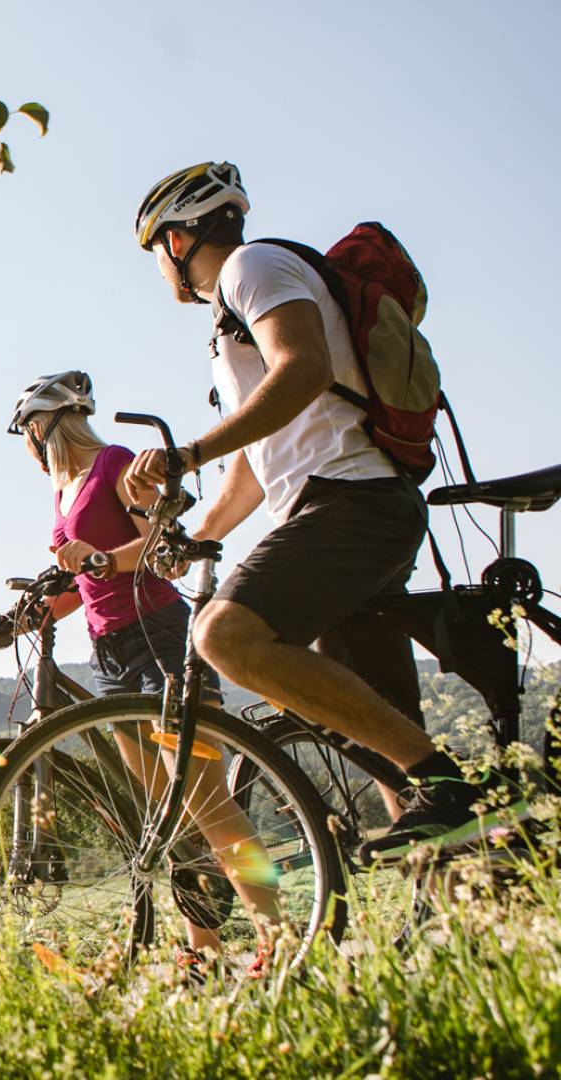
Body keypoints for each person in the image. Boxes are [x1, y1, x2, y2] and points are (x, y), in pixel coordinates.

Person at [126, 162, 479, 861]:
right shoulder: (235, 315)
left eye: (155, 256)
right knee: (379, 737)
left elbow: (305, 367)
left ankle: (450, 784)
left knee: (224, 636)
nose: (161, 274)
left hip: (351, 501)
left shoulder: (250, 268)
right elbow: (260, 465)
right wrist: (193, 535)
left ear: (175, 241)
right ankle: (466, 901)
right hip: (340, 507)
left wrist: (187, 454)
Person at [4, 371, 275, 968]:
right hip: (109, 657)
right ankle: (203, 948)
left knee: (205, 803)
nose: (24, 444)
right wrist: (23, 619)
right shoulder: (62, 492)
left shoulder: (117, 464)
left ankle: (277, 937)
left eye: (24, 430)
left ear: (45, 425)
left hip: (158, 636)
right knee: (168, 819)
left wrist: (99, 557)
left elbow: (162, 549)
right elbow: (84, 582)